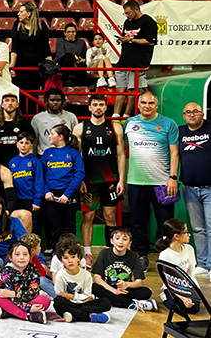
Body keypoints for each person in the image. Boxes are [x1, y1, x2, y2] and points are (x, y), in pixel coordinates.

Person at [124, 91, 179, 268]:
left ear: (156, 105)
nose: (147, 106)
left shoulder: (168, 124)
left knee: (166, 224)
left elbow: (174, 153)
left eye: (151, 103)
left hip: (162, 183)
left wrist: (172, 178)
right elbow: (123, 149)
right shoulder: (130, 124)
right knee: (138, 222)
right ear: (138, 105)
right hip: (136, 182)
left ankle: (168, 258)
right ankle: (142, 256)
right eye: (144, 103)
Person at [74, 94, 126, 262]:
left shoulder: (115, 127)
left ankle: (111, 253)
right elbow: (77, 157)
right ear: (89, 107)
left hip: (110, 181)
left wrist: (121, 180)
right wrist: (79, 179)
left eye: (101, 104)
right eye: (94, 104)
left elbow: (120, 155)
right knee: (88, 217)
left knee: (110, 216)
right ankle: (87, 253)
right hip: (88, 182)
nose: (98, 107)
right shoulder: (80, 128)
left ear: (106, 107)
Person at [90, 227, 155, 311]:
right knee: (94, 287)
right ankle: (131, 304)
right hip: (108, 288)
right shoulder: (104, 253)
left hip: (125, 290)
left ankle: (111, 300)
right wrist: (114, 291)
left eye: (125, 239)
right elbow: (97, 278)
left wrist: (126, 285)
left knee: (146, 292)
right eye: (117, 238)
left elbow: (139, 282)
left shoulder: (134, 256)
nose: (120, 242)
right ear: (111, 241)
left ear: (129, 243)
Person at [180, 102, 211, 276]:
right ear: (184, 116)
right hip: (189, 188)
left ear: (202, 114)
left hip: (210, 189)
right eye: (188, 112)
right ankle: (204, 263)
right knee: (198, 228)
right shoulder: (180, 132)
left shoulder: (210, 128)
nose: (192, 115)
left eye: (196, 111)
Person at [113, 0, 158, 118]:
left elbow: (151, 41)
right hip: (124, 60)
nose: (127, 16)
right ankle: (116, 115)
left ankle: (127, 116)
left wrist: (131, 40)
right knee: (120, 90)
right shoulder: (127, 22)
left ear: (136, 9)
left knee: (132, 91)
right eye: (125, 14)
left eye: (128, 13)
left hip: (138, 62)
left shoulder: (148, 22)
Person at [0, 240, 50, 324]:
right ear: (10, 257)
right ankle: (27, 316)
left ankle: (7, 312)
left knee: (45, 300)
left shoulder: (33, 271)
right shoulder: (6, 272)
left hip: (27, 299)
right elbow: (7, 296)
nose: (21, 257)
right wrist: (28, 309)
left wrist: (13, 294)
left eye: (25, 254)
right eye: (17, 254)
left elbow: (33, 293)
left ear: (30, 256)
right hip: (11, 300)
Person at [53, 238, 112, 323]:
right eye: (66, 258)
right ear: (61, 261)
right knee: (58, 302)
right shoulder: (60, 275)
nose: (70, 261)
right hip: (68, 303)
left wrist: (71, 296)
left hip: (82, 303)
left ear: (79, 258)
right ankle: (89, 317)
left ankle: (74, 315)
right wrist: (75, 298)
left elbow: (87, 295)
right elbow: (60, 295)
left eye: (73, 257)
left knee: (106, 303)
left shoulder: (86, 275)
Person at [156, 218, 201, 313]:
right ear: (176, 236)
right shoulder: (165, 255)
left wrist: (194, 292)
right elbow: (168, 281)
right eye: (186, 232)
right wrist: (183, 297)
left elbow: (191, 273)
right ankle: (165, 296)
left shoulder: (189, 249)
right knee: (181, 307)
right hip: (173, 288)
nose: (189, 235)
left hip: (187, 286)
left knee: (194, 308)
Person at [10, 1, 50, 91]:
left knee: (35, 91)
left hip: (37, 66)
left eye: (21, 12)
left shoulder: (41, 25)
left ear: (28, 14)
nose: (18, 14)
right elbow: (14, 47)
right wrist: (12, 64)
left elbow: (46, 47)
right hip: (21, 66)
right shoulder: (17, 25)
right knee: (22, 92)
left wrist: (49, 64)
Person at [0, 93, 33, 167]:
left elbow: (30, 145)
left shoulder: (24, 124)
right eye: (7, 100)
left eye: (13, 100)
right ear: (2, 105)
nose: (10, 103)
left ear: (17, 104)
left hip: (20, 165)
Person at [30, 88, 79, 155]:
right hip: (44, 156)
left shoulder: (71, 117)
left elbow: (75, 139)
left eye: (58, 100)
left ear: (62, 101)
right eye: (52, 100)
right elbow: (34, 141)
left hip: (65, 156)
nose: (55, 102)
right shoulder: (37, 118)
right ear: (47, 101)